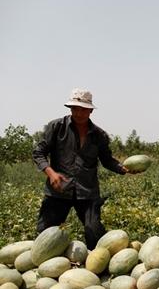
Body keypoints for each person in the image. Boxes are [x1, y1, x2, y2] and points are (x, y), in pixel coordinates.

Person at [32, 88, 135, 249]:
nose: (78, 113)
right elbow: (38, 153)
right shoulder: (56, 127)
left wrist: (124, 169)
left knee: (94, 232)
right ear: (70, 109)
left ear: (90, 110)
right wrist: (51, 173)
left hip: (87, 192)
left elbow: (107, 160)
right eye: (75, 109)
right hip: (58, 191)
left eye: (83, 109)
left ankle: (97, 269)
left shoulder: (99, 135)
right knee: (45, 235)